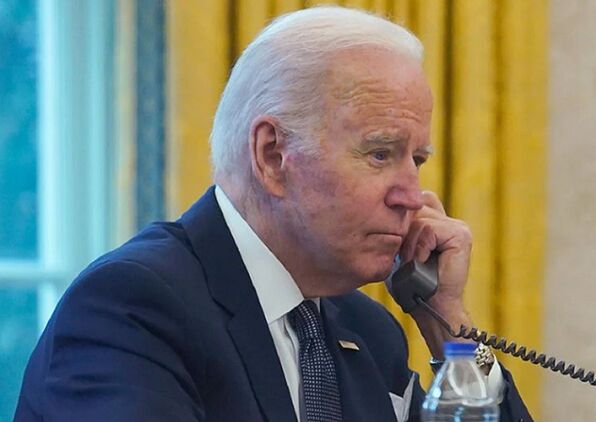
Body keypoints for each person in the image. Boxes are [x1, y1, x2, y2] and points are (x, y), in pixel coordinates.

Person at [15, 6, 532, 422]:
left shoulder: (370, 331)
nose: (412, 197)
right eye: (380, 154)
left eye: (416, 160)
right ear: (271, 155)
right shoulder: (133, 306)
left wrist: (449, 323)